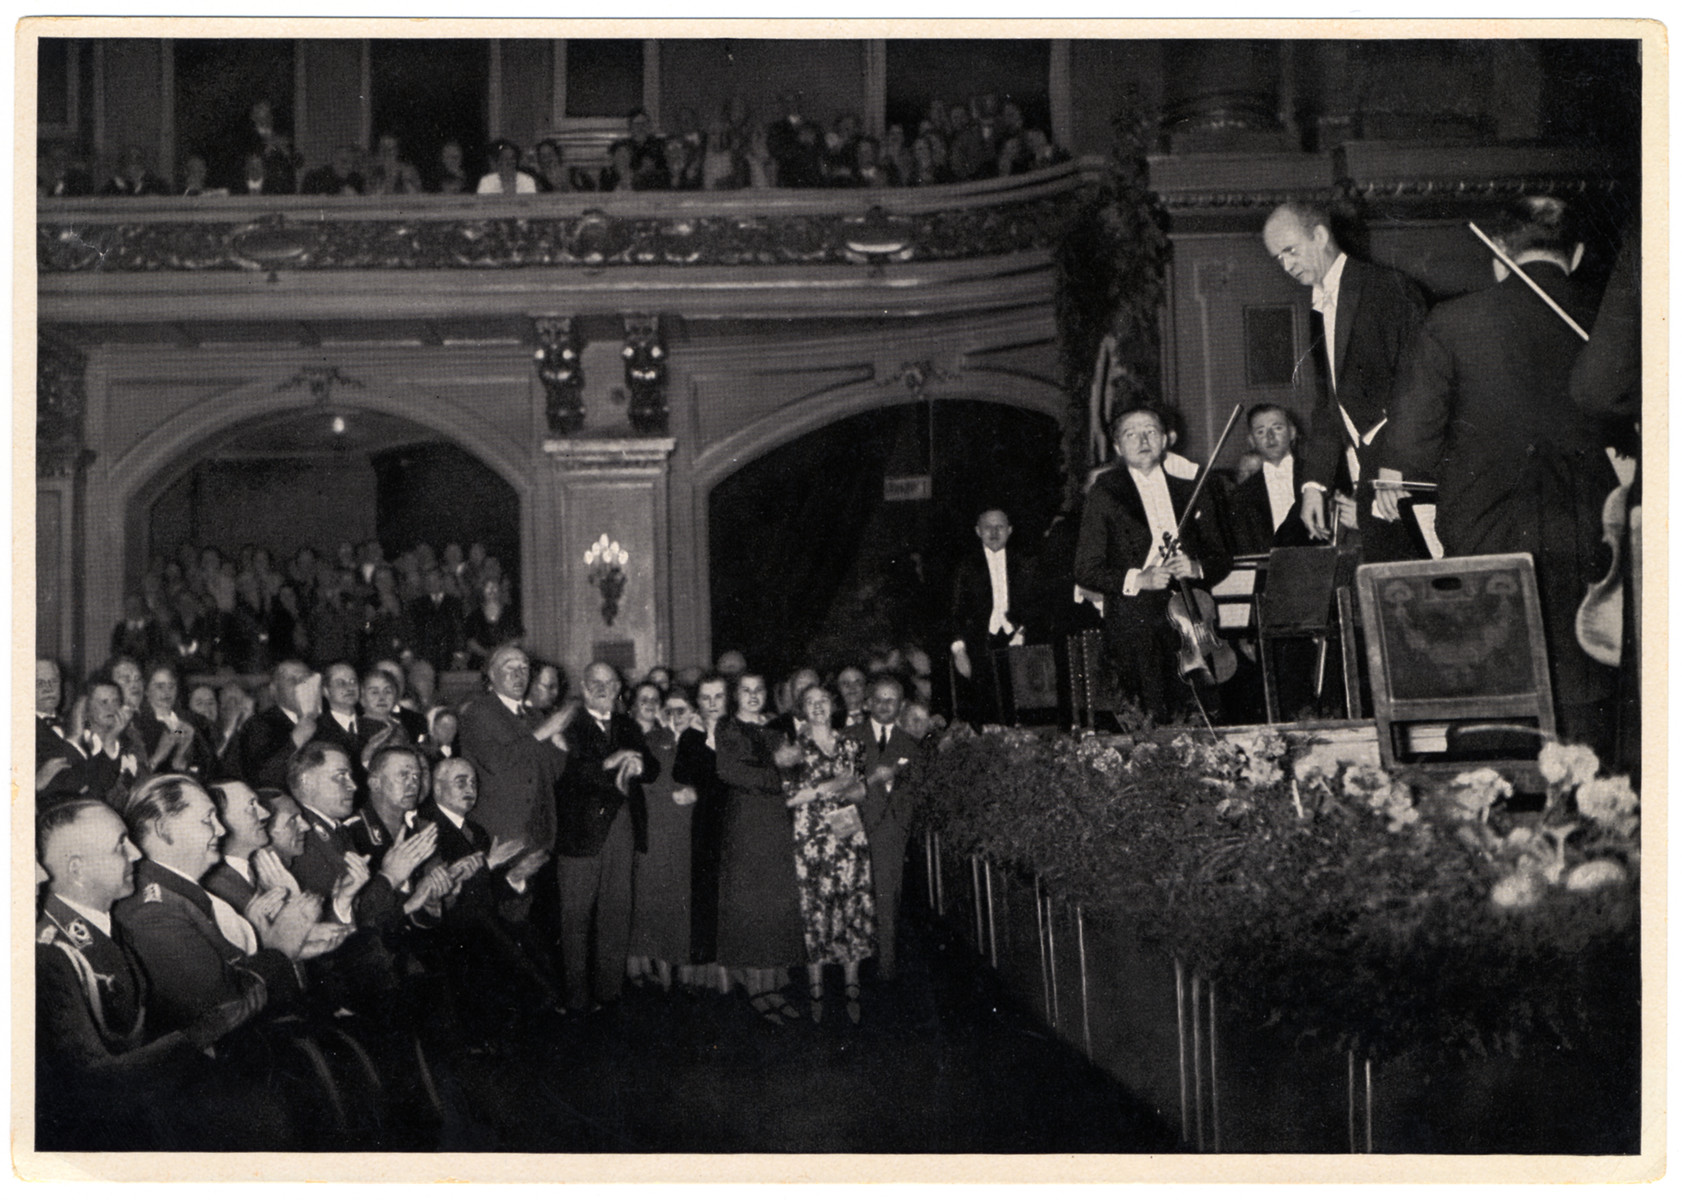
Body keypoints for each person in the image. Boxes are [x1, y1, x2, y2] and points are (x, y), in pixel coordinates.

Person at [1381, 195, 1621, 752]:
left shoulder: (1452, 322)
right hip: (1591, 539)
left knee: (1492, 686)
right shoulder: (1613, 318)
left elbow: (1409, 452)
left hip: (1489, 540)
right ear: (1579, 254)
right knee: (1589, 690)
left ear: (1498, 255)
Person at [36, 799, 270, 1150]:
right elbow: (94, 1084)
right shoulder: (52, 954)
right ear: (77, 870)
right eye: (120, 845)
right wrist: (201, 1034)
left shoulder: (108, 926)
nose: (134, 854)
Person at [1261, 201, 1430, 562]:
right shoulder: (1318, 306)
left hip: (1404, 471)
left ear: (1320, 236)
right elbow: (1329, 405)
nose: (1287, 266)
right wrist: (1313, 485)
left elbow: (1418, 386)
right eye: (1278, 259)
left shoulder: (1386, 287)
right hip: (1372, 475)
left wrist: (1394, 466)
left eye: (1291, 251)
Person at [1075, 406, 1233, 721]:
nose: (1142, 439)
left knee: (1198, 713)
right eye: (1130, 434)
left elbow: (1222, 557)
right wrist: (1138, 579)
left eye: (1150, 431)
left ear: (1164, 440)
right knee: (1148, 717)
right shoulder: (1105, 492)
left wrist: (1197, 567)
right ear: (1118, 447)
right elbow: (1086, 569)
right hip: (1135, 622)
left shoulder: (1191, 487)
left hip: (1190, 618)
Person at [554, 663, 657, 1014]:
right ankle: (577, 997)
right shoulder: (568, 722)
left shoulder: (627, 724)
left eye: (610, 682)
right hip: (581, 832)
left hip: (622, 827)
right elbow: (570, 772)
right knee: (575, 917)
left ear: (618, 689)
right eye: (595, 682)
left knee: (617, 911)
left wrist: (639, 763)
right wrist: (612, 761)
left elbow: (652, 765)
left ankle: (609, 992)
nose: (602, 687)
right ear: (583, 686)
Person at [713, 673, 804, 1023]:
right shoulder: (729, 728)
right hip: (747, 828)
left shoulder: (777, 728)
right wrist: (778, 770)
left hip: (777, 826)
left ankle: (772, 986)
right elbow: (732, 772)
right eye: (746, 691)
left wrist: (786, 772)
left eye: (759, 690)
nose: (753, 696)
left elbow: (795, 776)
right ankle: (756, 990)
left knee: (773, 907)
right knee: (752, 907)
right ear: (736, 696)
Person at [783, 684, 874, 1024]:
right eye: (811, 702)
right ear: (802, 709)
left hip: (848, 831)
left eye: (823, 701)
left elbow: (862, 791)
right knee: (814, 906)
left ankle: (851, 984)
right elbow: (790, 798)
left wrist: (840, 787)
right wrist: (832, 786)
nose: (818, 707)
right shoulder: (794, 748)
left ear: (833, 705)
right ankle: (816, 986)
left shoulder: (851, 743)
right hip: (810, 836)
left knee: (851, 901)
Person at [456, 645, 571, 859]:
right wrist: (543, 733)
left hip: (537, 835)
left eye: (524, 668)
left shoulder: (535, 716)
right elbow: (496, 762)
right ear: (492, 674)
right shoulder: (478, 712)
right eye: (510, 668)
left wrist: (560, 745)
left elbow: (553, 773)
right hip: (500, 834)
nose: (519, 675)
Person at [846, 676, 919, 984]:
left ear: (901, 706)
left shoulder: (911, 743)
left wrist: (892, 781)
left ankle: (885, 968)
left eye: (892, 700)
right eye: (879, 699)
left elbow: (916, 788)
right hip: (855, 829)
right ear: (868, 702)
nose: (885, 705)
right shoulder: (850, 736)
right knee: (853, 899)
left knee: (887, 899)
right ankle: (851, 968)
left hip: (890, 831)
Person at [626, 684, 698, 993]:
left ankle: (686, 972)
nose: (675, 716)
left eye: (681, 710)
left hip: (690, 831)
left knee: (684, 898)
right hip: (658, 830)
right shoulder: (654, 740)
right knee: (657, 899)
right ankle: (666, 976)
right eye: (669, 710)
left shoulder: (700, 739)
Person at [949, 508, 1034, 726]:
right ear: (978, 531)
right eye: (988, 527)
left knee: (1019, 708)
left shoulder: (1025, 564)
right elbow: (956, 611)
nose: (994, 532)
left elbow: (1035, 606)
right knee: (983, 711)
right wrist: (959, 651)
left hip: (1017, 642)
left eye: (1000, 527)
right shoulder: (965, 567)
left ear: (1010, 530)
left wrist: (1022, 632)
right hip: (980, 645)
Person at [1228, 404, 1315, 556]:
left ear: (1292, 432)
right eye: (1260, 432)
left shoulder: (1315, 478)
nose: (1270, 436)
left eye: (1277, 428)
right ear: (1251, 441)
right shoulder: (1242, 495)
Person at [224, 660, 321, 791]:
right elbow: (261, 778)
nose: (300, 684)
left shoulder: (325, 721)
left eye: (305, 678)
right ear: (274, 690)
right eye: (291, 680)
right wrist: (295, 741)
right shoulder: (259, 725)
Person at [131, 664, 218, 782]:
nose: (167, 692)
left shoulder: (191, 721)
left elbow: (210, 765)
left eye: (171, 686)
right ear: (146, 690)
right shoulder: (137, 724)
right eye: (160, 686)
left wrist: (182, 755)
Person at [408, 565, 465, 671]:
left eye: (435, 580)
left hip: (448, 653)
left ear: (441, 581)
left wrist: (459, 653)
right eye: (428, 581)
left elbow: (459, 629)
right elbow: (413, 630)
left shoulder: (454, 603)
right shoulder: (417, 604)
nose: (432, 584)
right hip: (425, 654)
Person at [462, 577, 524, 669]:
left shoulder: (510, 612)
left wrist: (501, 652)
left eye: (494, 587)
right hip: (480, 662)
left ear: (499, 590)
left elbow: (518, 637)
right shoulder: (474, 615)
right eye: (488, 587)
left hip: (506, 661)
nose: (491, 591)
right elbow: (470, 640)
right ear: (482, 591)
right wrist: (487, 654)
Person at [299, 144, 366, 195]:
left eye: (353, 163)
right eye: (344, 161)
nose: (349, 166)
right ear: (332, 160)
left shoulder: (357, 180)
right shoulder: (314, 178)